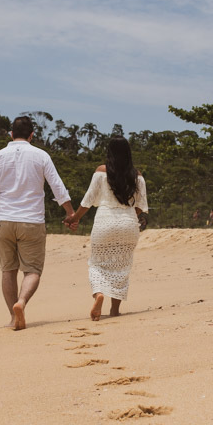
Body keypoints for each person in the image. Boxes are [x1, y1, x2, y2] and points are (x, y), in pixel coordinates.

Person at [0, 115, 76, 330]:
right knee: (33, 270)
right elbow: (58, 186)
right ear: (31, 135)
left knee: (8, 270)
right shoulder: (41, 156)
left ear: (11, 134)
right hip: (32, 221)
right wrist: (70, 213)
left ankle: (12, 316)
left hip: (4, 221)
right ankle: (22, 302)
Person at [66, 135, 149, 321]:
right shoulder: (138, 176)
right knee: (122, 266)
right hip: (128, 223)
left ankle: (99, 294)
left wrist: (74, 218)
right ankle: (114, 310)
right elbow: (140, 206)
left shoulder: (101, 172)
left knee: (96, 264)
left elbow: (88, 200)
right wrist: (128, 218)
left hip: (104, 222)